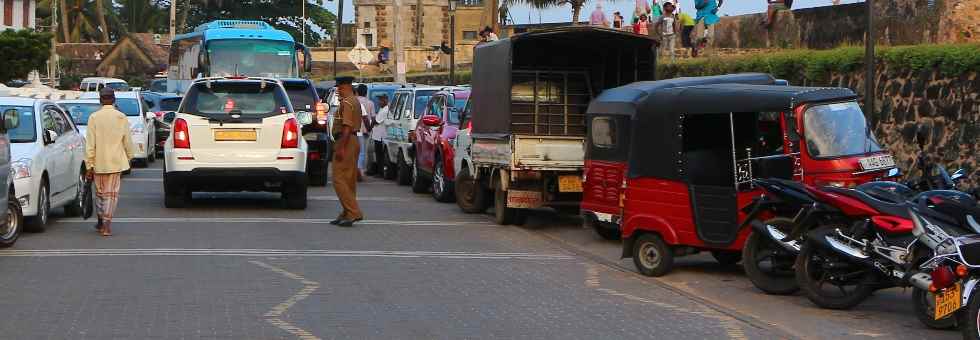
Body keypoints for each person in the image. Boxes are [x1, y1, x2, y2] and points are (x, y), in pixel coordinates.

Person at [85, 88, 135, 237]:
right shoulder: (121, 117)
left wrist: (89, 165)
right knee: (111, 195)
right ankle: (106, 225)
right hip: (115, 163)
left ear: (100, 100)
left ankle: (101, 220)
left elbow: (90, 144)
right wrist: (130, 157)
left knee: (100, 194)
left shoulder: (94, 117)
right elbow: (127, 141)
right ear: (114, 100)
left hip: (98, 163)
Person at [331, 77, 364, 227]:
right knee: (348, 180)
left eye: (339, 88)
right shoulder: (355, 100)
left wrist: (341, 148)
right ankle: (346, 213)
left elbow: (346, 127)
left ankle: (354, 211)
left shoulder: (347, 102)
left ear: (346, 87)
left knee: (338, 179)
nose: (338, 91)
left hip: (346, 141)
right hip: (352, 140)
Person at [356, 84, 375, 181]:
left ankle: (353, 170)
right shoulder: (370, 103)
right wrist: (369, 129)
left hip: (351, 131)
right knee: (362, 152)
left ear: (357, 92)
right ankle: (360, 170)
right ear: (366, 92)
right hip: (364, 131)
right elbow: (372, 118)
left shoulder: (353, 101)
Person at [370, 94, 389, 178]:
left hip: (380, 136)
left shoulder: (385, 110)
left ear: (385, 100)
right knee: (378, 154)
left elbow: (376, 121)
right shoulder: (382, 109)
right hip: (377, 135)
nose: (379, 102)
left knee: (379, 155)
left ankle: (380, 172)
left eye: (381, 100)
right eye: (379, 100)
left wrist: (371, 120)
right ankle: (379, 171)